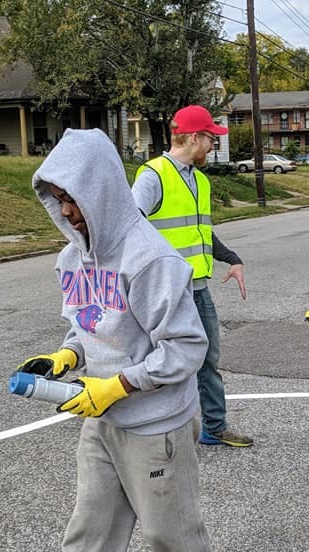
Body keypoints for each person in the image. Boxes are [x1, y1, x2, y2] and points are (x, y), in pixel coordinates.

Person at [18, 128, 236, 552]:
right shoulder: (73, 258)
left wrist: (117, 386)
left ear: (104, 191)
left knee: (170, 532)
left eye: (76, 197)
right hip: (100, 419)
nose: (69, 211)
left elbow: (187, 348)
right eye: (59, 199)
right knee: (87, 532)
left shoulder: (148, 259)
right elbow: (85, 323)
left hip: (156, 423)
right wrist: (66, 357)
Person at [131, 105, 254, 448]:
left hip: (197, 288)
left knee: (207, 358)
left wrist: (231, 257)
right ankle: (150, 428)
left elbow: (200, 232)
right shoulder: (153, 175)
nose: (214, 146)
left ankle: (214, 426)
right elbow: (129, 225)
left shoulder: (199, 178)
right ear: (194, 137)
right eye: (211, 139)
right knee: (161, 362)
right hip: (165, 291)